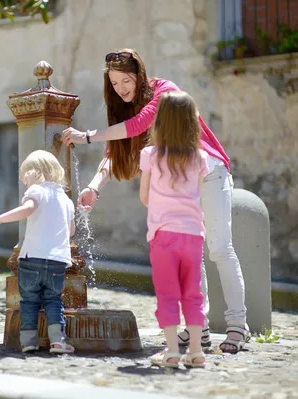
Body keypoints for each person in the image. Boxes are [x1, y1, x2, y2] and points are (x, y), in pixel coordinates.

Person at [61, 49, 250, 354]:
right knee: (193, 252)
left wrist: (85, 136)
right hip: (180, 181)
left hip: (210, 172)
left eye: (126, 80)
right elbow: (115, 155)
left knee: (219, 248)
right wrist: (94, 188)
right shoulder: (124, 110)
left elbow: (138, 125)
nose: (121, 88)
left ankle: (238, 327)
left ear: (140, 74)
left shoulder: (166, 91)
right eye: (115, 83)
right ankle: (195, 329)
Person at [0, 149, 76, 354]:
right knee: (53, 300)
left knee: (30, 302)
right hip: (56, 261)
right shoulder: (66, 200)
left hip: (32, 258)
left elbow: (27, 209)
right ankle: (58, 342)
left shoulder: (36, 191)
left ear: (35, 174)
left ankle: (29, 342)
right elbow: (71, 231)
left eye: (26, 178)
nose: (26, 183)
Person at [140, 90, 208, 368]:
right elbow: (199, 195)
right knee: (193, 294)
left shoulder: (150, 155)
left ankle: (171, 351)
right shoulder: (199, 158)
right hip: (193, 235)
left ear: (161, 122)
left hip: (163, 235)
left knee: (167, 294)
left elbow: (144, 196)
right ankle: (196, 350)